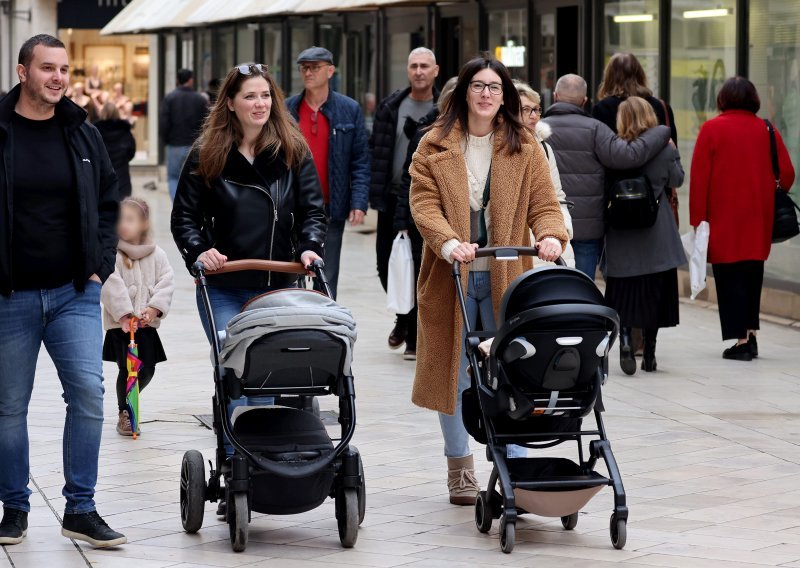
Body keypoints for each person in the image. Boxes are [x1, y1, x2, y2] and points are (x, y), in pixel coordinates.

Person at [409, 55, 569, 506]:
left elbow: (544, 204)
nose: (485, 94)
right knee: (455, 375)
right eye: (477, 86)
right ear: (463, 93)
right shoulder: (433, 145)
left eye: (494, 88)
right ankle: (460, 469)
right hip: (451, 276)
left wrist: (552, 236)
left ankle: (515, 466)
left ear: (505, 97)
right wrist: (447, 242)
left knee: (512, 371)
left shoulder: (525, 145)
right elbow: (424, 206)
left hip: (507, 276)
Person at [0, 34, 126, 547]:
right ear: (22, 71)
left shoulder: (81, 132)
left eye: (64, 70)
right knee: (9, 405)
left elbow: (108, 199)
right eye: (47, 68)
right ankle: (13, 506)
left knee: (89, 395)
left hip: (74, 291)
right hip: (11, 297)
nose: (57, 78)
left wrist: (98, 264)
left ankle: (81, 507)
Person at [690, 77, 795, 361]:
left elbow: (699, 180)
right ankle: (751, 334)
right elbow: (787, 174)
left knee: (729, 279)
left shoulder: (711, 129)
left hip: (723, 220)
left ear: (722, 99)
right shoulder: (767, 128)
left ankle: (741, 342)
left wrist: (698, 220)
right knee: (752, 276)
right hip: (758, 219)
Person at [542, 74, 671, 278]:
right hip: (588, 229)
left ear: (555, 96)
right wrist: (662, 132)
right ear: (584, 101)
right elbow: (629, 156)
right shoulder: (596, 129)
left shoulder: (539, 129)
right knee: (581, 287)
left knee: (548, 286)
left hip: (548, 227)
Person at [603, 97, 686, 374]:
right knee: (656, 293)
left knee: (625, 293)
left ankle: (625, 340)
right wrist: (673, 155)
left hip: (621, 232)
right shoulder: (664, 148)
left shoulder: (615, 150)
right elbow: (677, 180)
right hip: (656, 231)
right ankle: (649, 353)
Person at [370, 47, 440, 351]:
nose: (419, 71)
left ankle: (413, 328)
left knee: (419, 266)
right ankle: (404, 315)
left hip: (427, 199)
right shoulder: (390, 106)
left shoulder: (444, 106)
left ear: (435, 70)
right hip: (393, 197)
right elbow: (377, 150)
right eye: (414, 66)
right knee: (387, 264)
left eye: (425, 66)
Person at [286, 47, 370, 298]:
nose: (308, 72)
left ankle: (323, 321)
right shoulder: (287, 109)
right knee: (293, 269)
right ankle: (296, 317)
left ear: (330, 71)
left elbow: (360, 160)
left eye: (315, 67)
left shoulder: (349, 109)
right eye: (304, 68)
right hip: (293, 204)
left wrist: (359, 201)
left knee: (327, 271)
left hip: (332, 204)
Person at [394, 76, 459, 360]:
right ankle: (414, 338)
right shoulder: (427, 137)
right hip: (425, 225)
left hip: (462, 231)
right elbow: (408, 184)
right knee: (427, 283)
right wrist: (401, 222)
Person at [101, 198, 174, 436]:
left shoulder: (158, 254)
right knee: (127, 369)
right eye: (120, 219)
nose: (123, 224)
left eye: (130, 220)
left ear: (143, 224)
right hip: (122, 325)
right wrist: (124, 314)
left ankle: (131, 400)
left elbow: (166, 282)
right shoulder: (113, 254)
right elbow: (110, 284)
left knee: (147, 369)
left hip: (146, 325)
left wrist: (153, 308)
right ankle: (125, 413)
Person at [513, 80, 575, 266]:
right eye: (526, 110)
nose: (534, 116)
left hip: (548, 240)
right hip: (517, 245)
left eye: (537, 109)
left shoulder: (544, 148)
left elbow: (557, 196)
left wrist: (561, 230)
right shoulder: (499, 149)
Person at [592, 53, 678, 143]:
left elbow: (599, 147)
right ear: (640, 75)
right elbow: (672, 147)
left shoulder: (602, 108)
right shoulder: (661, 106)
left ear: (609, 77)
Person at [160, 68, 209, 200]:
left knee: (173, 177)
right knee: (195, 177)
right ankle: (190, 205)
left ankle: (177, 206)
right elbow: (207, 122)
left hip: (175, 144)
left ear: (177, 81)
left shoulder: (169, 98)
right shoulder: (200, 99)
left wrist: (165, 141)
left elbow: (164, 123)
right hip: (195, 145)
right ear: (191, 80)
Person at [96, 102, 136, 198]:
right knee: (123, 207)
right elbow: (131, 150)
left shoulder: (96, 130)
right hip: (122, 174)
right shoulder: (124, 129)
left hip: (102, 176)